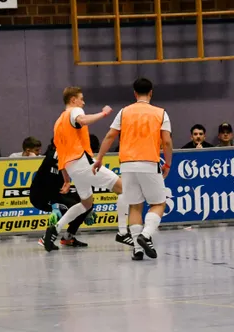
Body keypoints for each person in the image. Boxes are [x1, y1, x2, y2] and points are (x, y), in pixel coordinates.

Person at [92, 78, 173, 261]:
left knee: (135, 206)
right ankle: (146, 234)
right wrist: (167, 163)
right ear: (151, 92)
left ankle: (137, 250)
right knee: (158, 204)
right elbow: (167, 142)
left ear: (134, 93)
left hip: (127, 164)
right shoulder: (161, 113)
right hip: (149, 162)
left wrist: (99, 159)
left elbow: (110, 136)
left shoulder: (124, 112)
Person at [43, 86, 130, 252]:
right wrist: (103, 113)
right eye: (81, 99)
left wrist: (66, 179)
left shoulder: (58, 122)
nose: (83, 102)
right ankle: (122, 232)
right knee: (123, 188)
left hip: (72, 168)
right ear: (73, 100)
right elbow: (82, 120)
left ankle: (55, 229)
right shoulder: (74, 111)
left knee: (86, 203)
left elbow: (60, 153)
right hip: (83, 163)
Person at [30, 140, 132, 249]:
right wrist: (54, 205)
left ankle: (67, 237)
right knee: (76, 205)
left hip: (58, 191)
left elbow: (85, 178)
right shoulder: (53, 157)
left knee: (86, 204)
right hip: (42, 196)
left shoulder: (69, 158)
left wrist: (88, 205)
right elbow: (49, 184)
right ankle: (46, 237)